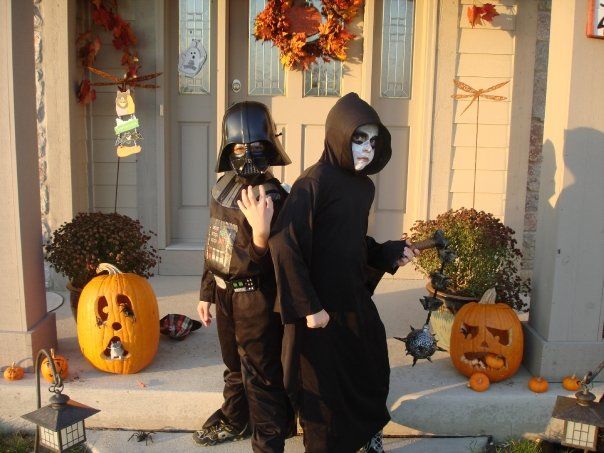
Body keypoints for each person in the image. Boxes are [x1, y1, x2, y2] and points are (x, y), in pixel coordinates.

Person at [269, 93, 418, 453]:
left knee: (370, 370)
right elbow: (284, 243)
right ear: (338, 135)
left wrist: (387, 253)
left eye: (373, 140)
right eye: (358, 137)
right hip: (319, 312)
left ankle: (366, 438)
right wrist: (309, 306)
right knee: (324, 395)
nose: (367, 148)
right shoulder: (313, 183)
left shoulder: (363, 187)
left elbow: (350, 243)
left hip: (352, 301)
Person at [193, 102, 293, 452]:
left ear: (269, 145)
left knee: (261, 375)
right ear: (227, 149)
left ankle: (268, 443)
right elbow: (215, 243)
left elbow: (278, 263)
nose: (247, 155)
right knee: (234, 365)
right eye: (238, 148)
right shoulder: (223, 188)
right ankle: (235, 418)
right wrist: (207, 291)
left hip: (256, 299)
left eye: (255, 146)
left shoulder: (275, 197)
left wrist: (262, 234)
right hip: (225, 295)